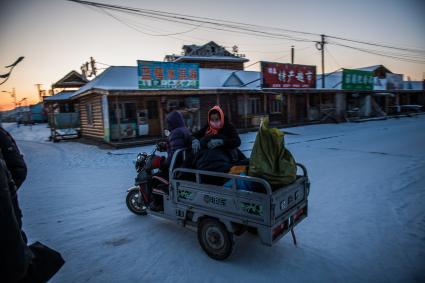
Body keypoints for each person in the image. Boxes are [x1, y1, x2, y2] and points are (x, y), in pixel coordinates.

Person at [149, 111, 191, 211]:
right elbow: (177, 146)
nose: (167, 125)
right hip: (185, 164)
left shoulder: (175, 133)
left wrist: (163, 164)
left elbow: (174, 156)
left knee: (155, 178)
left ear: (172, 123)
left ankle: (159, 204)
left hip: (178, 168)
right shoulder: (184, 130)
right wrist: (166, 145)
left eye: (168, 123)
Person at [191, 105, 246, 174]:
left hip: (229, 157)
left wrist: (222, 142)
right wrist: (194, 140)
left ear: (221, 118)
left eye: (217, 119)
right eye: (212, 120)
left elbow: (237, 142)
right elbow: (194, 135)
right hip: (211, 159)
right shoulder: (208, 128)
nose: (214, 122)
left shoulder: (228, 127)